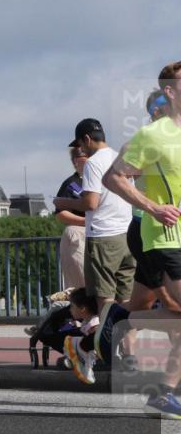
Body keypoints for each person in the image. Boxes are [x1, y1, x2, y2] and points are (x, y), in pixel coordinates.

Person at [102, 60, 181, 419]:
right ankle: (164, 393)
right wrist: (152, 207)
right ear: (169, 90)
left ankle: (118, 323)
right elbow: (113, 178)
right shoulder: (152, 135)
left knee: (166, 313)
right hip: (163, 236)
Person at [54, 119, 135, 314]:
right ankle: (128, 345)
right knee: (126, 299)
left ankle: (108, 343)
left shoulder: (93, 164)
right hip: (127, 234)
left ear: (87, 139)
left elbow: (91, 203)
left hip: (103, 236)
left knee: (105, 299)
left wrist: (62, 202)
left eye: (81, 145)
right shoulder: (120, 159)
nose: (81, 150)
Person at [54, 146, 89, 290]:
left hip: (103, 232)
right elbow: (61, 213)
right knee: (82, 279)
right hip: (81, 233)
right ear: (75, 162)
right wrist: (85, 222)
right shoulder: (71, 184)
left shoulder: (102, 180)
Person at [63, 288, 101, 385]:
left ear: (82, 308)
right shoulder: (87, 321)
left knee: (87, 345)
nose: (70, 310)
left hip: (97, 352)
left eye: (72, 306)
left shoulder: (94, 324)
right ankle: (78, 358)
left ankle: (83, 360)